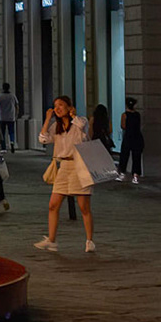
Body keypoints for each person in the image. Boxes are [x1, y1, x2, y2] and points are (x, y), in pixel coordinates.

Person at [36, 94, 96, 254]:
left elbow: (83, 126)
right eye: (55, 105)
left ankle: (89, 240)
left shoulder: (79, 122)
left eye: (61, 105)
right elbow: (43, 139)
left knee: (84, 207)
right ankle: (51, 240)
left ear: (69, 107)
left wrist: (73, 115)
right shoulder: (56, 126)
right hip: (63, 167)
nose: (57, 108)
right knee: (53, 204)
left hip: (79, 166)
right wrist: (47, 119)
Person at [116, 97, 144, 183]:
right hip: (137, 137)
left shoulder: (124, 115)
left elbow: (123, 126)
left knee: (124, 156)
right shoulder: (137, 115)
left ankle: (122, 173)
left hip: (128, 136)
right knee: (136, 157)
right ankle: (135, 176)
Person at [0, 84, 18, 152]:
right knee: (11, 132)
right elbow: (17, 105)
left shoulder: (0, 96)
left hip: (2, 117)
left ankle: (3, 147)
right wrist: (16, 114)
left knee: (2, 133)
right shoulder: (12, 96)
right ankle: (12, 142)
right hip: (11, 117)